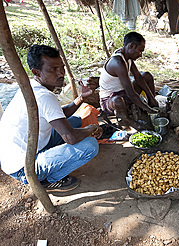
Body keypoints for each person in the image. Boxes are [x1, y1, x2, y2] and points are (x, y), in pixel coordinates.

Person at [0, 45, 103, 192]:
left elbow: (58, 114)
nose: (61, 73)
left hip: (23, 151)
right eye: (53, 69)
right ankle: (49, 180)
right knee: (90, 145)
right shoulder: (44, 96)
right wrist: (91, 129)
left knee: (75, 121)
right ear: (36, 72)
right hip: (24, 167)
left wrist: (81, 98)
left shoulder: (32, 85)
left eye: (61, 67)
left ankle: (48, 165)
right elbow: (71, 138)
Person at [99, 31, 158, 129]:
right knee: (118, 101)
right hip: (109, 100)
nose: (140, 55)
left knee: (146, 76)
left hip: (123, 93)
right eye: (140, 50)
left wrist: (152, 98)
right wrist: (148, 109)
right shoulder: (118, 62)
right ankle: (128, 121)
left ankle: (149, 106)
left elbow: (138, 78)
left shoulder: (127, 57)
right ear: (131, 46)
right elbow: (131, 93)